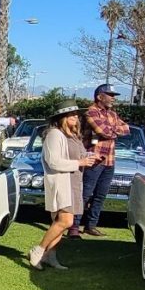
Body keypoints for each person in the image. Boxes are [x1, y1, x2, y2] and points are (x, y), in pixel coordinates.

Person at [29, 100, 98, 270]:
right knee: (66, 221)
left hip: (74, 182)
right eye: (71, 115)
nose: (76, 117)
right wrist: (80, 162)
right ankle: (38, 250)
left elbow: (78, 155)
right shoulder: (55, 134)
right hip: (61, 182)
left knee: (60, 221)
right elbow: (54, 162)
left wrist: (89, 158)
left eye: (76, 114)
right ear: (62, 118)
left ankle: (49, 256)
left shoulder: (73, 136)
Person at [72, 84, 129, 238]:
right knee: (85, 194)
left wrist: (112, 131)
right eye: (110, 95)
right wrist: (114, 130)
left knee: (100, 195)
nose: (113, 98)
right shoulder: (91, 112)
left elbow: (126, 128)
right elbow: (102, 132)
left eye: (113, 95)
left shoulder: (112, 114)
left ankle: (91, 226)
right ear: (99, 96)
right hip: (93, 159)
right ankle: (74, 227)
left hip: (109, 161)